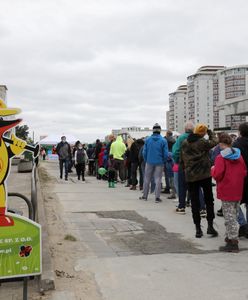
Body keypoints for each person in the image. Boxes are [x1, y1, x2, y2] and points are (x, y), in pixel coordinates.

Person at [181, 124, 218, 238]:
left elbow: (182, 159)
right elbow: (215, 141)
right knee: (208, 200)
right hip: (204, 175)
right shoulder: (203, 142)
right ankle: (210, 226)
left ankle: (198, 229)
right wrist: (210, 132)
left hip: (191, 176)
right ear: (203, 133)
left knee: (194, 202)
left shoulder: (185, 143)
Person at [211, 133, 247, 252]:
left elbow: (218, 174)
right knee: (234, 214)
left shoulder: (220, 158)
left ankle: (233, 242)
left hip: (227, 189)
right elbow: (244, 172)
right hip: (237, 188)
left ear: (221, 144)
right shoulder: (239, 155)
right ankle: (229, 237)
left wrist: (213, 170)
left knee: (229, 217)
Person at [139, 123, 168, 203]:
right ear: (160, 131)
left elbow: (144, 152)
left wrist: (146, 160)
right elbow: (165, 153)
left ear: (153, 130)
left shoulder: (148, 140)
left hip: (149, 161)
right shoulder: (163, 140)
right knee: (158, 179)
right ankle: (157, 198)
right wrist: (163, 161)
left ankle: (145, 196)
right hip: (159, 162)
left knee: (147, 178)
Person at [172, 121, 194, 214]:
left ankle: (182, 207)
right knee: (196, 187)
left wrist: (178, 161)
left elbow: (176, 152)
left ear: (185, 129)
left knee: (182, 186)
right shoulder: (197, 138)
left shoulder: (181, 138)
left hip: (184, 165)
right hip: (195, 166)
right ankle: (202, 208)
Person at [233, 122, 248, 237]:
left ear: (240, 132)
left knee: (234, 203)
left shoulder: (236, 144)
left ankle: (243, 225)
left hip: (240, 177)